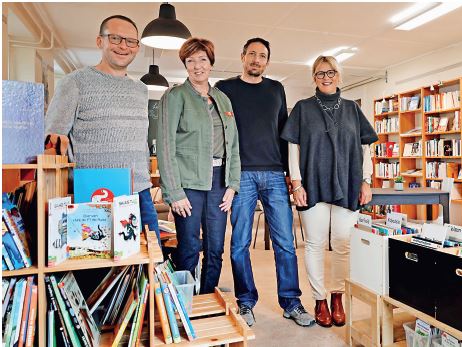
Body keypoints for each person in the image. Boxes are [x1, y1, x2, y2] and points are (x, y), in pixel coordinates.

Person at [215, 38, 314, 327]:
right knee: (239, 244)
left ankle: (291, 302)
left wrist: (288, 174)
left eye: (263, 56)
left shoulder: (276, 89)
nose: (257, 60)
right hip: (240, 175)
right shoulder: (225, 88)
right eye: (252, 54)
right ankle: (245, 302)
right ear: (242, 56)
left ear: (267, 62)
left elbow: (283, 131)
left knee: (285, 242)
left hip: (273, 173)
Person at [281, 56, 378, 327]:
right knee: (314, 244)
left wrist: (366, 180)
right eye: (320, 72)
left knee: (343, 245)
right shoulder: (302, 108)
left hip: (348, 183)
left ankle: (337, 297)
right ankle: (319, 299)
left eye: (331, 72)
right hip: (312, 184)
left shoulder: (352, 109)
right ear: (314, 77)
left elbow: (365, 147)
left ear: (339, 75)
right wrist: (297, 183)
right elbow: (293, 148)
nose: (326, 77)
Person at [44, 15, 160, 241]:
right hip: (94, 193)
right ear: (100, 41)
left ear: (137, 48)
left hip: (140, 192)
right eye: (115, 38)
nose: (123, 46)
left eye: (131, 41)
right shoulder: (74, 82)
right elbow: (52, 141)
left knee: (151, 263)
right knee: (97, 267)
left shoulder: (141, 90)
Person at [157, 37, 241, 295]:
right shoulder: (175, 96)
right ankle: (184, 304)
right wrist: (174, 192)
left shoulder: (223, 99)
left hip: (218, 182)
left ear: (211, 63)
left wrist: (232, 185)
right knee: (189, 247)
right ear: (185, 65)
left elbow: (234, 145)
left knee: (216, 248)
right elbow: (166, 146)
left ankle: (206, 299)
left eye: (202, 59)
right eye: (190, 61)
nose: (197, 66)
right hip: (188, 184)